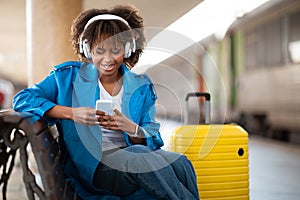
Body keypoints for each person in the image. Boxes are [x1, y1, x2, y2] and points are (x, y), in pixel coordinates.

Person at [13, 3, 199, 200]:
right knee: (140, 155)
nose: (108, 59)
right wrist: (71, 113)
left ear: (127, 49)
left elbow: (152, 140)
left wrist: (131, 128)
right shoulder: (66, 78)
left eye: (115, 50)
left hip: (133, 160)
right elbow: (23, 99)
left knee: (180, 162)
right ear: (87, 49)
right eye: (99, 50)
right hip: (95, 170)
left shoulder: (140, 86)